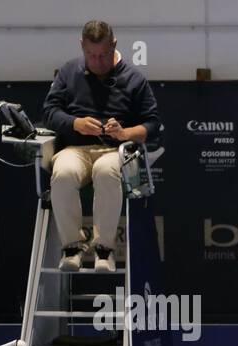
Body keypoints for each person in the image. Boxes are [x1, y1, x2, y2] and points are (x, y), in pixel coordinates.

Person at [42, 19, 160, 273]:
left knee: (106, 172)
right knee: (61, 174)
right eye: (91, 55)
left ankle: (104, 250)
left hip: (114, 151)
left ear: (114, 45)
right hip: (75, 150)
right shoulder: (68, 72)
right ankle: (72, 247)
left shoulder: (134, 78)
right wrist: (75, 123)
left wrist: (125, 132)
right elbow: (49, 112)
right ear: (81, 46)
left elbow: (152, 125)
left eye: (103, 55)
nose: (97, 62)